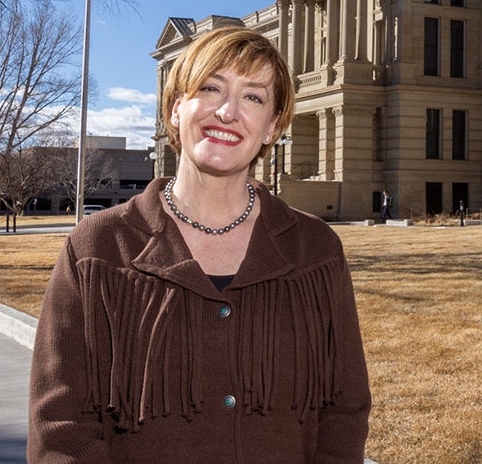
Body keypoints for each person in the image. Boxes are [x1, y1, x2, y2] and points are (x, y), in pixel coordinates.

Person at [29, 27, 370, 463]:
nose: (228, 112)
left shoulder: (316, 250)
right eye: (211, 88)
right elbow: (62, 429)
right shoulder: (97, 250)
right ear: (175, 110)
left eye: (253, 97)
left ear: (272, 127)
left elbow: (344, 411)